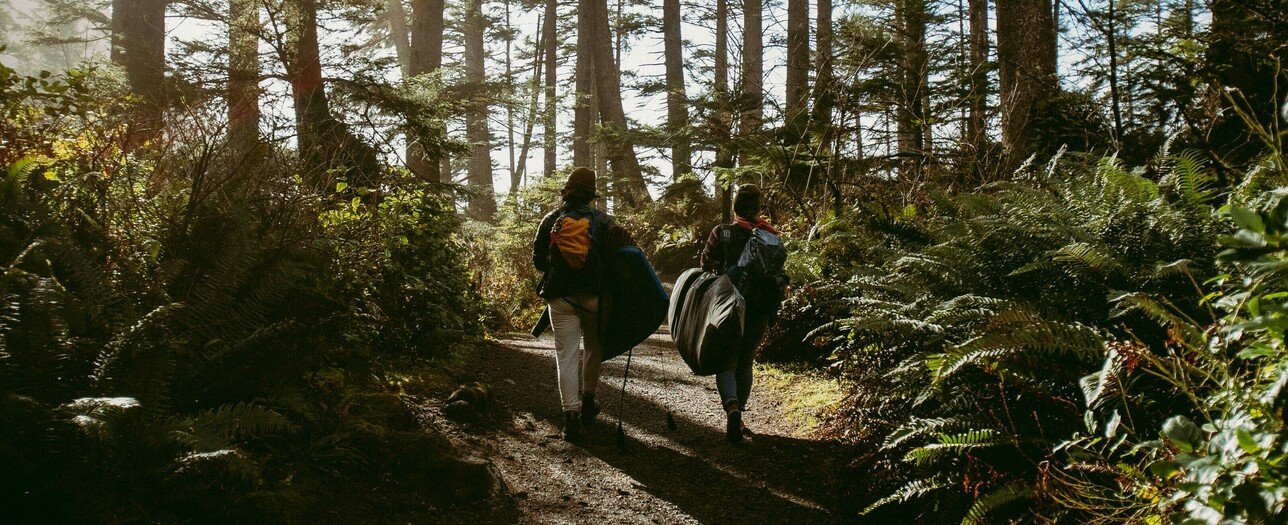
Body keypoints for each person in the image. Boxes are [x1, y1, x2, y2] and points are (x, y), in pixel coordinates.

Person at [532, 166, 634, 441]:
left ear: (566, 191)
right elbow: (620, 260)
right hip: (593, 297)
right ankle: (588, 402)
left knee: (565, 356)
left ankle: (571, 418)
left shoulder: (551, 219)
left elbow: (539, 261)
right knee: (592, 348)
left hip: (560, 298)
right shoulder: (603, 221)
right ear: (592, 195)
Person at [700, 184, 783, 443]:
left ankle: (732, 407)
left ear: (735, 206)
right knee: (746, 361)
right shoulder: (770, 236)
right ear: (758, 208)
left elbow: (705, 264)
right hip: (759, 308)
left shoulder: (722, 232)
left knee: (727, 360)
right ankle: (740, 414)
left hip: (729, 307)